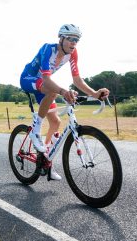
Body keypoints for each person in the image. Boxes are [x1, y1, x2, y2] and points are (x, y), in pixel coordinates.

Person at [20, 24, 109, 180]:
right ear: (61, 38)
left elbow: (77, 80)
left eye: (77, 40)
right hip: (28, 79)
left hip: (44, 85)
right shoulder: (48, 49)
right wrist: (63, 92)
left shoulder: (73, 54)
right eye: (71, 39)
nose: (74, 43)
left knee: (56, 122)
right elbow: (46, 78)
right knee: (54, 91)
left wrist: (95, 94)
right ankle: (36, 130)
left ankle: (45, 158)